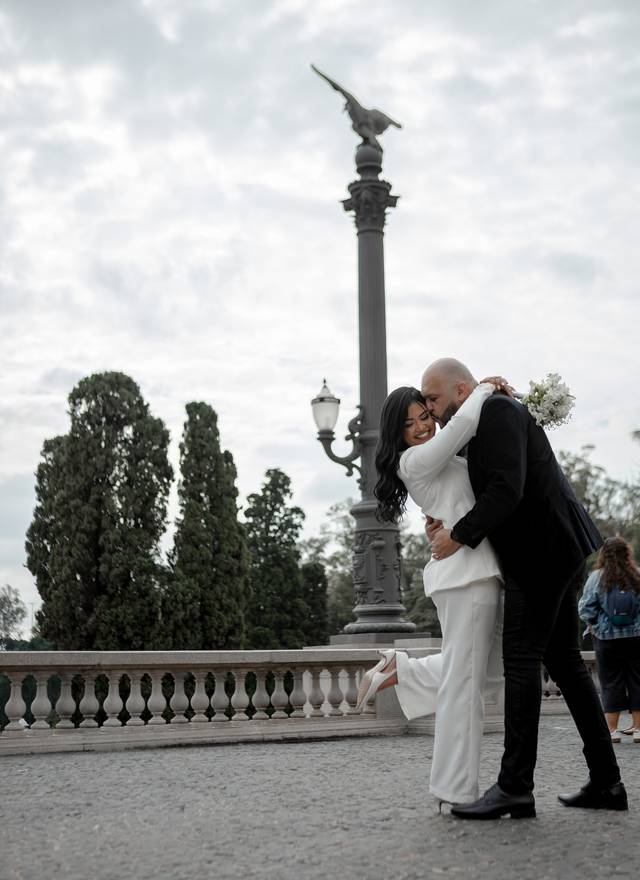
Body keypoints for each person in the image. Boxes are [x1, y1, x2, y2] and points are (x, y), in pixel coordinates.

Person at [423, 357, 626, 819]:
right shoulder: (485, 419)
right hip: (557, 548)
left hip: (541, 554)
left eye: (434, 399)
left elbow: (507, 490)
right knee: (564, 662)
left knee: (521, 659)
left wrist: (458, 536)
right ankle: (607, 782)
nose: (431, 411)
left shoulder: (496, 412)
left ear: (460, 389)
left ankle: (515, 786)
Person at [359, 378, 506, 807]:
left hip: (471, 572)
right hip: (466, 579)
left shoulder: (435, 459)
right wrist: (482, 389)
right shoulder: (414, 462)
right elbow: (460, 428)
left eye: (425, 416)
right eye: (411, 423)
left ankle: (402, 670)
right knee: (465, 686)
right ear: (398, 434)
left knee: (480, 672)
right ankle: (454, 790)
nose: (423, 427)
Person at [579, 537, 640, 743]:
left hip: (606, 638)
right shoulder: (637, 574)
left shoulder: (597, 577)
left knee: (611, 682)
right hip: (636, 637)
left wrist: (595, 626)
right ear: (627, 554)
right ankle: (639, 729)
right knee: (637, 680)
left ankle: (612, 731)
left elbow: (585, 609)